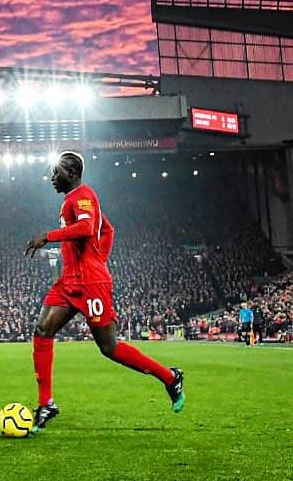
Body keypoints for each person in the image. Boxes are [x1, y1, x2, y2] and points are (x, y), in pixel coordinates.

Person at [25, 150, 185, 432]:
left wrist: (48, 237)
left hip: (91, 285)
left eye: (56, 172)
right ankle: (46, 403)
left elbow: (88, 228)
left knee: (109, 347)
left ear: (72, 173)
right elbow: (107, 229)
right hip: (69, 282)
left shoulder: (83, 196)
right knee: (42, 329)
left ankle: (169, 377)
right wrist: (99, 258)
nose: (52, 178)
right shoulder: (72, 200)